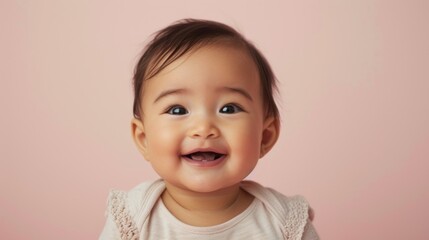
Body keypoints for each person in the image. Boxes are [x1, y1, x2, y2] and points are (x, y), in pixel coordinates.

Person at [99, 19, 320, 240]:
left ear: (265, 136)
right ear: (143, 138)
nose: (203, 128)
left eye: (228, 108)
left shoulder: (284, 222)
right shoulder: (132, 219)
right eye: (177, 110)